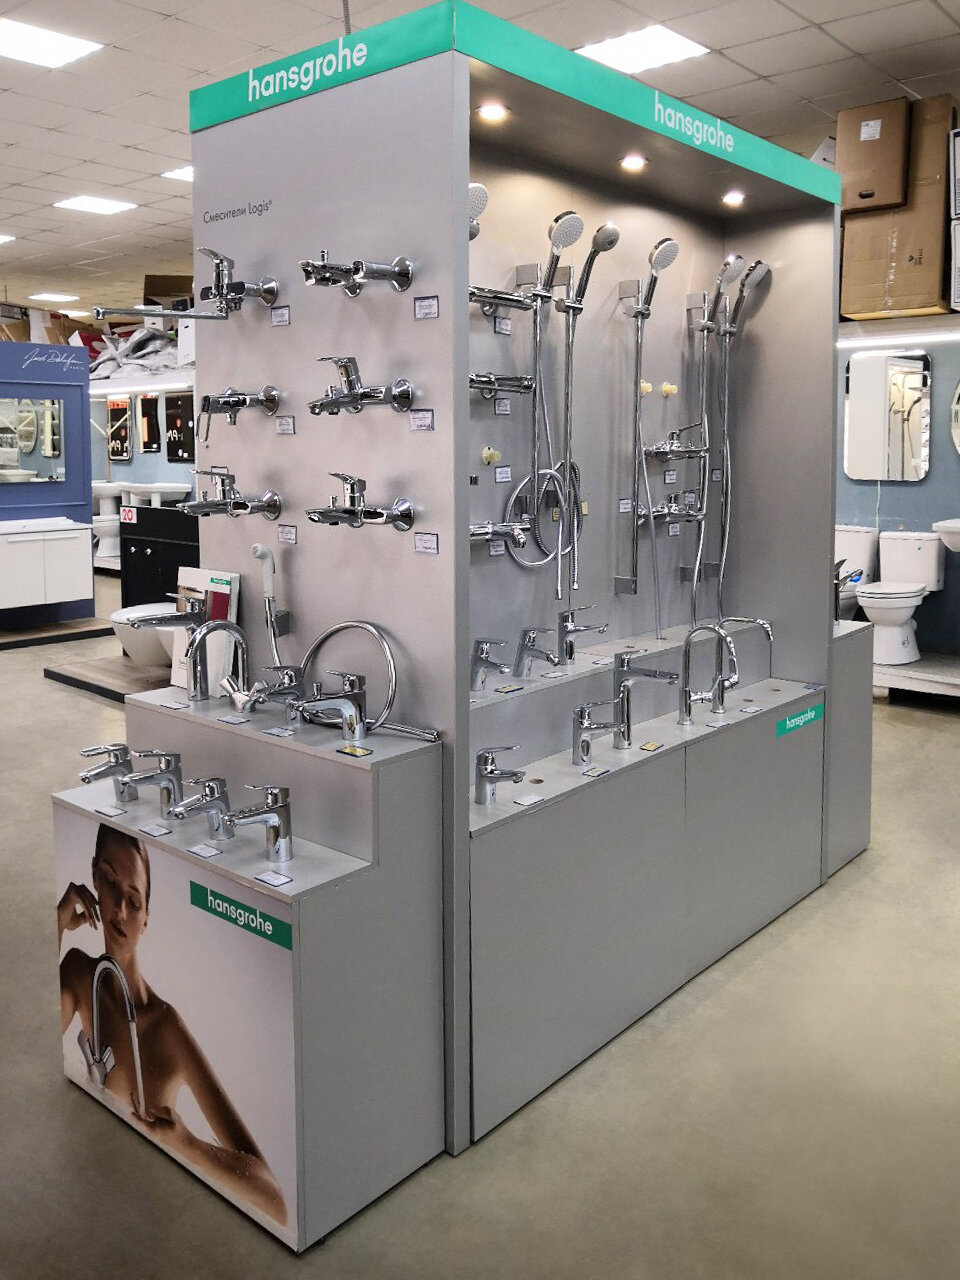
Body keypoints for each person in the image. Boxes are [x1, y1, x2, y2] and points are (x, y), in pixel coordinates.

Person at [58, 824, 287, 1226]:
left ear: (147, 917)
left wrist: (187, 1144)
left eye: (134, 901)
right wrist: (57, 921)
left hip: (152, 1205)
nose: (121, 911)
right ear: (93, 876)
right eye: (110, 882)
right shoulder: (78, 973)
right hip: (93, 1181)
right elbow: (36, 1038)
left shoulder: (166, 1028)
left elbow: (274, 1200)